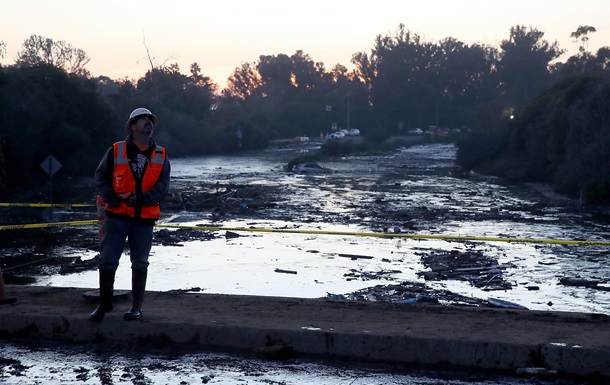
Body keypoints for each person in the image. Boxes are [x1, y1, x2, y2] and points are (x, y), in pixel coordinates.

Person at [90, 107, 171, 322]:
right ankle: (104, 305)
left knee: (140, 263)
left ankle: (136, 308)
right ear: (133, 126)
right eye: (144, 120)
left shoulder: (161, 154)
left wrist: (143, 198)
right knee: (107, 261)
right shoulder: (116, 150)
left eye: (150, 120)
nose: (149, 123)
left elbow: (163, 185)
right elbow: (100, 176)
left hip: (144, 220)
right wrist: (110, 197)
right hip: (117, 217)